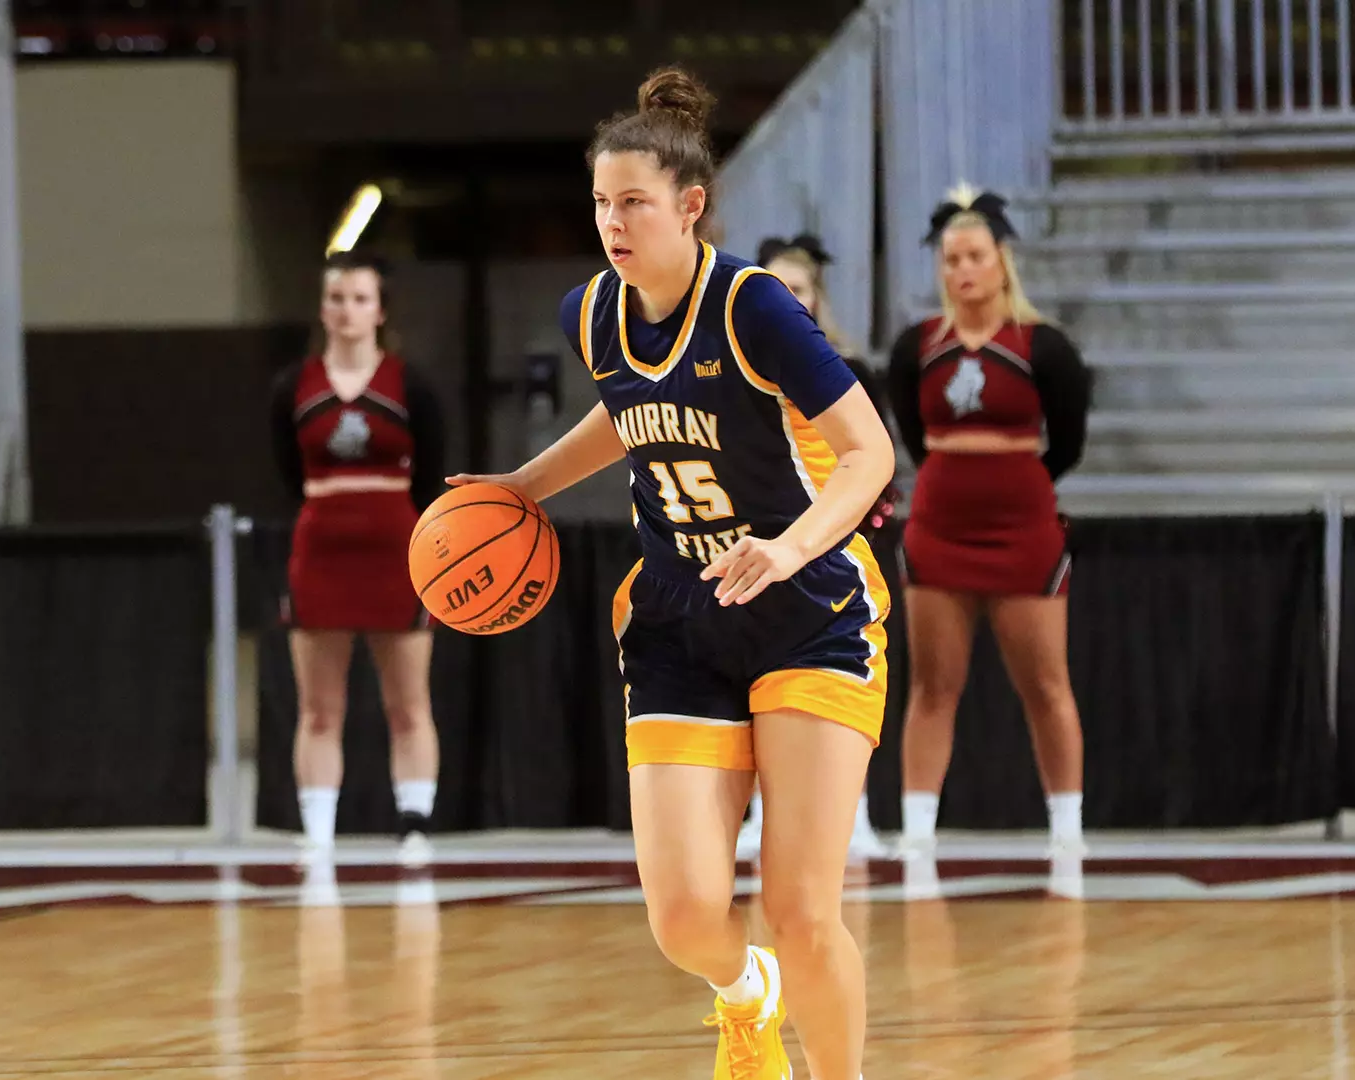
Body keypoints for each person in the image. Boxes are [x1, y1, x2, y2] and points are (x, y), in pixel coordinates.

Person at [454, 67, 894, 1080]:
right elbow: (628, 406)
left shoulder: (757, 308)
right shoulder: (593, 313)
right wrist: (523, 484)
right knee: (687, 919)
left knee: (797, 907)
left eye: (634, 203)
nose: (613, 221)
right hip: (678, 614)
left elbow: (869, 453)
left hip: (808, 608)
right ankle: (747, 996)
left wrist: (790, 546)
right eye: (602, 202)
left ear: (690, 206)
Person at [884, 187, 1092, 857]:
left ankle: (1067, 829)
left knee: (1046, 683)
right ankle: (918, 831)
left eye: (974, 256)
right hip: (939, 527)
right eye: (951, 260)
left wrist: (1014, 484)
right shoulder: (916, 347)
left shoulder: (1044, 346)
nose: (962, 271)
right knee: (931, 684)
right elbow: (913, 436)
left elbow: (1068, 443)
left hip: (1022, 528)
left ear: (1002, 260)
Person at [271, 251, 446, 864]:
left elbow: (433, 475)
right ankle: (318, 837)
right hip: (319, 551)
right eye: (337, 298)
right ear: (323, 308)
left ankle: (415, 826)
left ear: (380, 309)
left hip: (397, 552)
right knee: (319, 709)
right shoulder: (292, 386)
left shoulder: (411, 384)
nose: (347, 310)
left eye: (360, 299)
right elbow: (288, 474)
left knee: (408, 702)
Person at [742, 234, 898, 863]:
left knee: (840, 686)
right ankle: (757, 813)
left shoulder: (848, 373)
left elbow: (874, 462)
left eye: (798, 290)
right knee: (751, 686)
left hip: (830, 551)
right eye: (775, 290)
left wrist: (842, 528)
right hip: (756, 547)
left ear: (816, 300)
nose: (787, 301)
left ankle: (855, 813)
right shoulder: (737, 372)